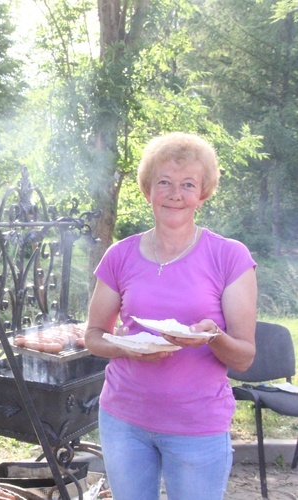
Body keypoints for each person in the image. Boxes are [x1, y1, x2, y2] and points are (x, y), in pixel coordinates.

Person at [84, 132, 257, 500]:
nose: (175, 193)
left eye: (188, 184)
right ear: (148, 190)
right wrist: (127, 348)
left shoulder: (230, 257)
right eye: (164, 182)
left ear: (202, 193)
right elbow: (95, 335)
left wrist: (214, 337)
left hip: (198, 426)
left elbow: (243, 357)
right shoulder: (120, 255)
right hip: (123, 420)